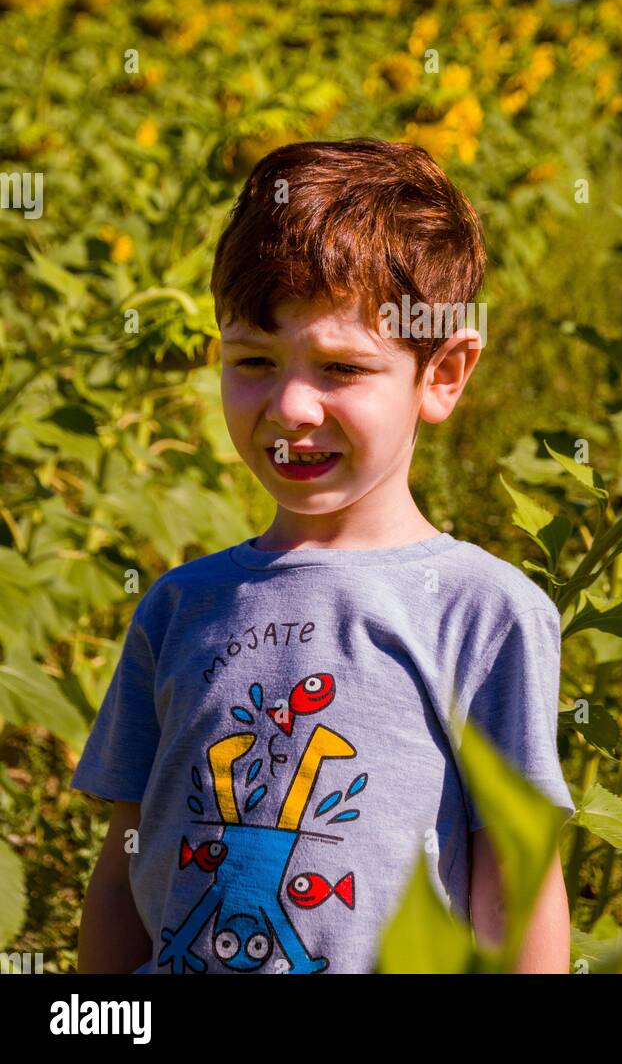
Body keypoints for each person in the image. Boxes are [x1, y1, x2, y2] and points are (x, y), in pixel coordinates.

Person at [72, 138, 576, 975]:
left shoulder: (481, 612)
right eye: (254, 362)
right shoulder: (177, 605)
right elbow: (125, 867)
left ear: (442, 374)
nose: (292, 405)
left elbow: (514, 884)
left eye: (342, 366)